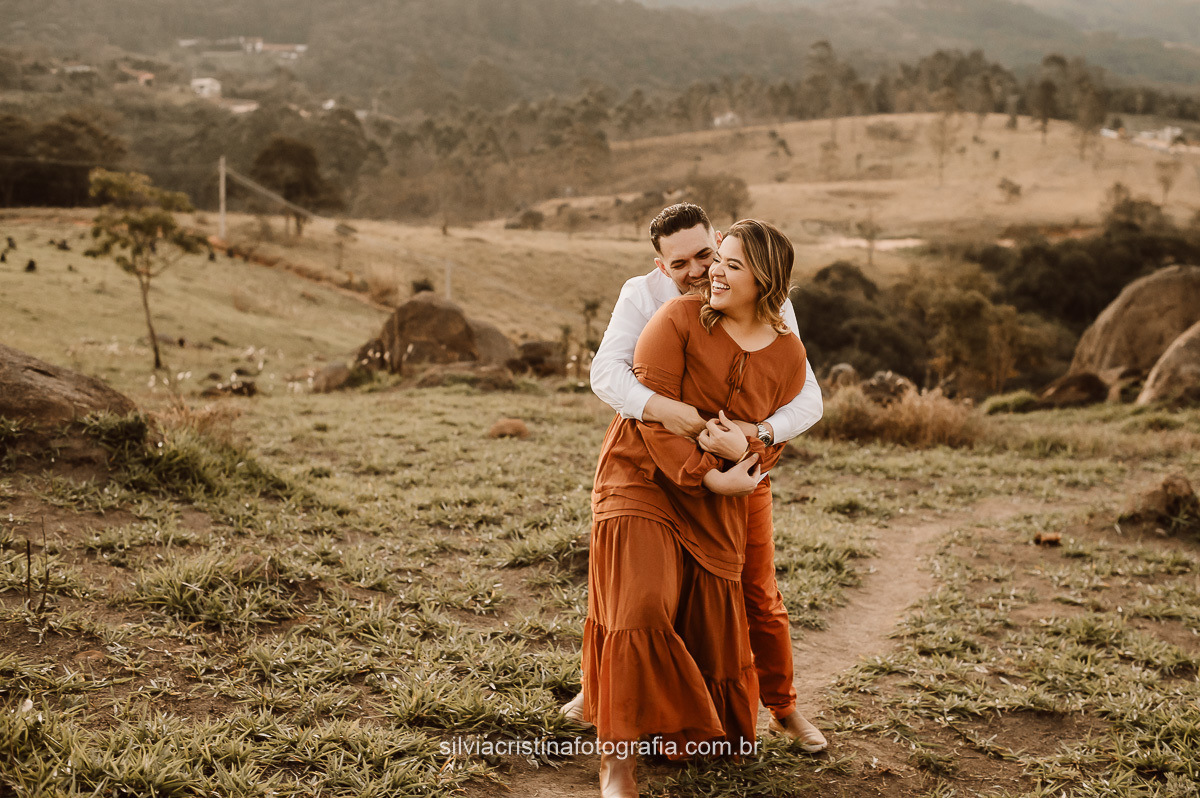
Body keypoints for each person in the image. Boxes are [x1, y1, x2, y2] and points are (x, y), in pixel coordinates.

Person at [566, 203, 828, 752]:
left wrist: (752, 438)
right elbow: (605, 372)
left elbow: (806, 395)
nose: (700, 270)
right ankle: (602, 690)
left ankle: (784, 707)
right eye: (680, 262)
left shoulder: (767, 299)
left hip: (738, 465)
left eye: (709, 254)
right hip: (654, 461)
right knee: (632, 584)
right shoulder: (644, 297)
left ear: (722, 243)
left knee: (756, 589)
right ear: (661, 265)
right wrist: (663, 409)